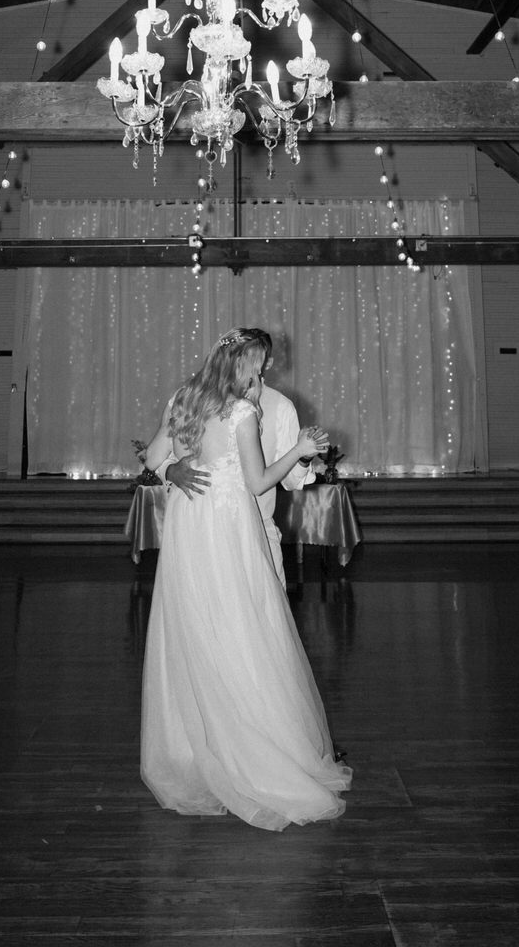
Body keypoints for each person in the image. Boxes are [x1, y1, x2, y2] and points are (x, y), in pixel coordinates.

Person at [140, 328, 352, 830]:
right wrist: (300, 450)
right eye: (256, 364)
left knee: (203, 629)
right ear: (236, 362)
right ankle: (253, 751)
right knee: (245, 634)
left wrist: (173, 471)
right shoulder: (245, 410)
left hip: (191, 530)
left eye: (264, 365)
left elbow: (151, 458)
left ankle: (210, 748)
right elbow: (256, 480)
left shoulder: (185, 397)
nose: (261, 374)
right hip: (231, 530)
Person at [160, 327, 318, 583]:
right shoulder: (188, 398)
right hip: (199, 535)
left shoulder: (281, 407)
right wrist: (169, 470)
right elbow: (157, 455)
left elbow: (291, 482)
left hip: (258, 534)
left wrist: (303, 457)